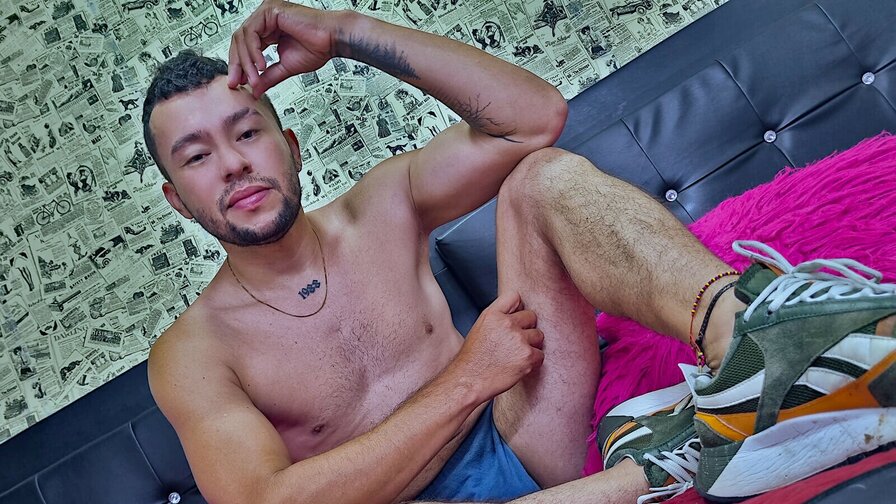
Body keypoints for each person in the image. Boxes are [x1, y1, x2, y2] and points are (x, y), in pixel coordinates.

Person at [143, 1, 896, 503]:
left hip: (522, 433)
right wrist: (467, 378)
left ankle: (762, 345)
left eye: (247, 132)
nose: (234, 164)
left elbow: (531, 120)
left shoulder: (380, 206)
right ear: (178, 199)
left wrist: (342, 32)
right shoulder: (193, 352)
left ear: (291, 146)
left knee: (539, 178)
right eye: (198, 156)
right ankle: (679, 457)